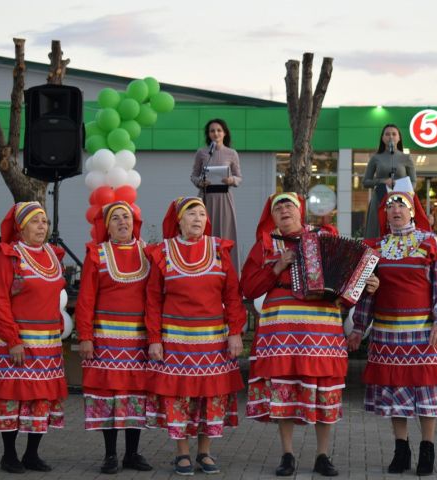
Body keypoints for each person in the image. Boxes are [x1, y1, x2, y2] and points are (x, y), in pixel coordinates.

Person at [241, 192, 379, 477]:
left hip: (321, 330)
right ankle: (287, 455)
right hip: (280, 333)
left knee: (324, 391)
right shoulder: (265, 246)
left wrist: (365, 285)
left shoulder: (324, 237)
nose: (283, 210)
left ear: (300, 211)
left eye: (288, 205)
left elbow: (346, 286)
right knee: (284, 389)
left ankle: (322, 456)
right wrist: (278, 266)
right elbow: (249, 288)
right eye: (277, 207)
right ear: (272, 215)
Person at [347, 184, 437, 476]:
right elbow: (366, 293)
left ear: (411, 212)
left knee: (427, 392)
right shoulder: (374, 249)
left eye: (401, 205)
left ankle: (427, 450)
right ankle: (401, 449)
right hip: (387, 334)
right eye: (390, 207)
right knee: (395, 392)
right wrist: (359, 328)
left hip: (423, 332)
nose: (395, 210)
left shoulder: (431, 243)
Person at [145, 196, 245, 476]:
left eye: (202, 214)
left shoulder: (218, 249)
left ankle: (205, 452)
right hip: (176, 340)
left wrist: (235, 332)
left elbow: (233, 296)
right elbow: (153, 299)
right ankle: (182, 454)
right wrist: (155, 338)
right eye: (191, 214)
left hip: (213, 340)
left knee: (209, 395)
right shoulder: (163, 252)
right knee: (179, 396)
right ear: (179, 220)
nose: (198, 219)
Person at [0, 202, 68, 474]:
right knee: (13, 398)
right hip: (18, 341)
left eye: (44, 221)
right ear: (21, 227)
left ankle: (32, 454)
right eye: (35, 221)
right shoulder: (8, 257)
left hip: (48, 343)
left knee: (41, 399)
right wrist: (12, 339)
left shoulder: (54, 255)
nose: (42, 226)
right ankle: (9, 455)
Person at [74, 201, 153, 474]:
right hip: (106, 338)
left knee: (135, 396)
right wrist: (85, 336)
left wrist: (156, 337)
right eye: (116, 218)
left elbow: (155, 298)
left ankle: (132, 453)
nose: (122, 222)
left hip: (138, 341)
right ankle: (110, 455)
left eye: (127, 217)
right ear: (106, 226)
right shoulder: (97, 254)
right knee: (108, 398)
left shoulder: (148, 253)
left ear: (135, 223)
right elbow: (86, 298)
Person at [190, 118, 242, 270]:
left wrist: (231, 179)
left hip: (224, 198)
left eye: (219, 130)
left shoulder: (232, 153)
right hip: (205, 198)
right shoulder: (202, 153)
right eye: (212, 131)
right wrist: (200, 181)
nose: (216, 133)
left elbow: (239, 177)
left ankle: (227, 269)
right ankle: (203, 267)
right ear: (208, 134)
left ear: (224, 133)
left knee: (225, 233)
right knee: (204, 232)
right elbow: (193, 175)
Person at [362, 124, 416, 238]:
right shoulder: (375, 158)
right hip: (380, 199)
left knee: (402, 233)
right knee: (377, 231)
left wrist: (408, 196)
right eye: (387, 134)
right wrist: (382, 181)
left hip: (401, 202)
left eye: (394, 134)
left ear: (399, 138)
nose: (390, 137)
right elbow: (365, 182)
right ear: (382, 138)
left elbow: (414, 182)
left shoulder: (406, 158)